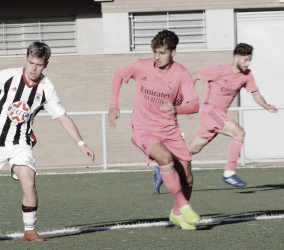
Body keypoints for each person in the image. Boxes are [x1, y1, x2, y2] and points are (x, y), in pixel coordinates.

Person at [0, 42, 95, 241]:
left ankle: (29, 230)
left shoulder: (47, 88)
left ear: (45, 64)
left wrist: (81, 144)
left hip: (21, 142)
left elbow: (63, 118)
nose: (33, 68)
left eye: (38, 64)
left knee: (29, 182)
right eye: (30, 62)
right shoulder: (8, 76)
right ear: (26, 59)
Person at [108, 30, 201, 230]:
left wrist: (177, 108)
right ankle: (184, 206)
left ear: (173, 53)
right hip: (142, 128)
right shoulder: (141, 65)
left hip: (170, 130)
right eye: (155, 52)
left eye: (162, 53)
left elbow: (194, 105)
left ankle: (176, 214)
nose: (157, 57)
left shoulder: (182, 73)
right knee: (165, 158)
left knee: (188, 176)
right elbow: (118, 75)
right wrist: (113, 106)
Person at [188, 43, 278, 187]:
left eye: (249, 60)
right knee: (239, 133)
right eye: (245, 60)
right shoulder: (219, 70)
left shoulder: (247, 75)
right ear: (236, 58)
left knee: (191, 150)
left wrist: (267, 106)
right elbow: (193, 76)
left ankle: (162, 169)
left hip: (218, 116)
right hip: (209, 112)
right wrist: (190, 103)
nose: (248, 64)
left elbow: (256, 94)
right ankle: (229, 173)